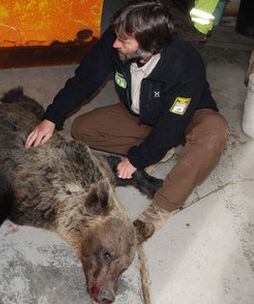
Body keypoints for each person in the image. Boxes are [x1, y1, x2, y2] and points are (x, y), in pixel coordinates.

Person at [24, 0, 228, 242]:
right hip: (145, 114)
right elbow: (84, 80)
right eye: (117, 35)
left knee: (214, 131)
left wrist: (137, 159)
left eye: (123, 41)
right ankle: (159, 150)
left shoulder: (185, 62)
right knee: (83, 129)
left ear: (149, 46)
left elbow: (173, 122)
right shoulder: (118, 38)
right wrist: (51, 118)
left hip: (187, 117)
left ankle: (161, 208)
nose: (115, 43)